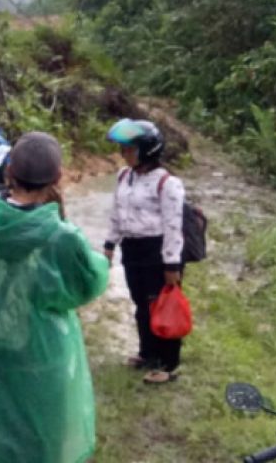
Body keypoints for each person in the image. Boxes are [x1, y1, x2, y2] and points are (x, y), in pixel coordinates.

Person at [0, 132, 109, 463]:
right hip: (40, 354)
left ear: (8, 172)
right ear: (57, 178)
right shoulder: (61, 236)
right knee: (42, 441)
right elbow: (89, 283)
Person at [102, 118, 186, 385]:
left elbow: (174, 226)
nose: (123, 154)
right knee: (141, 304)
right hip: (133, 248)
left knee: (162, 307)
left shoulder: (167, 183)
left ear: (147, 150)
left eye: (129, 149)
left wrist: (171, 265)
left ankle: (168, 365)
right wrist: (109, 244)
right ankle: (147, 353)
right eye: (122, 149)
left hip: (157, 251)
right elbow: (117, 212)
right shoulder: (124, 176)